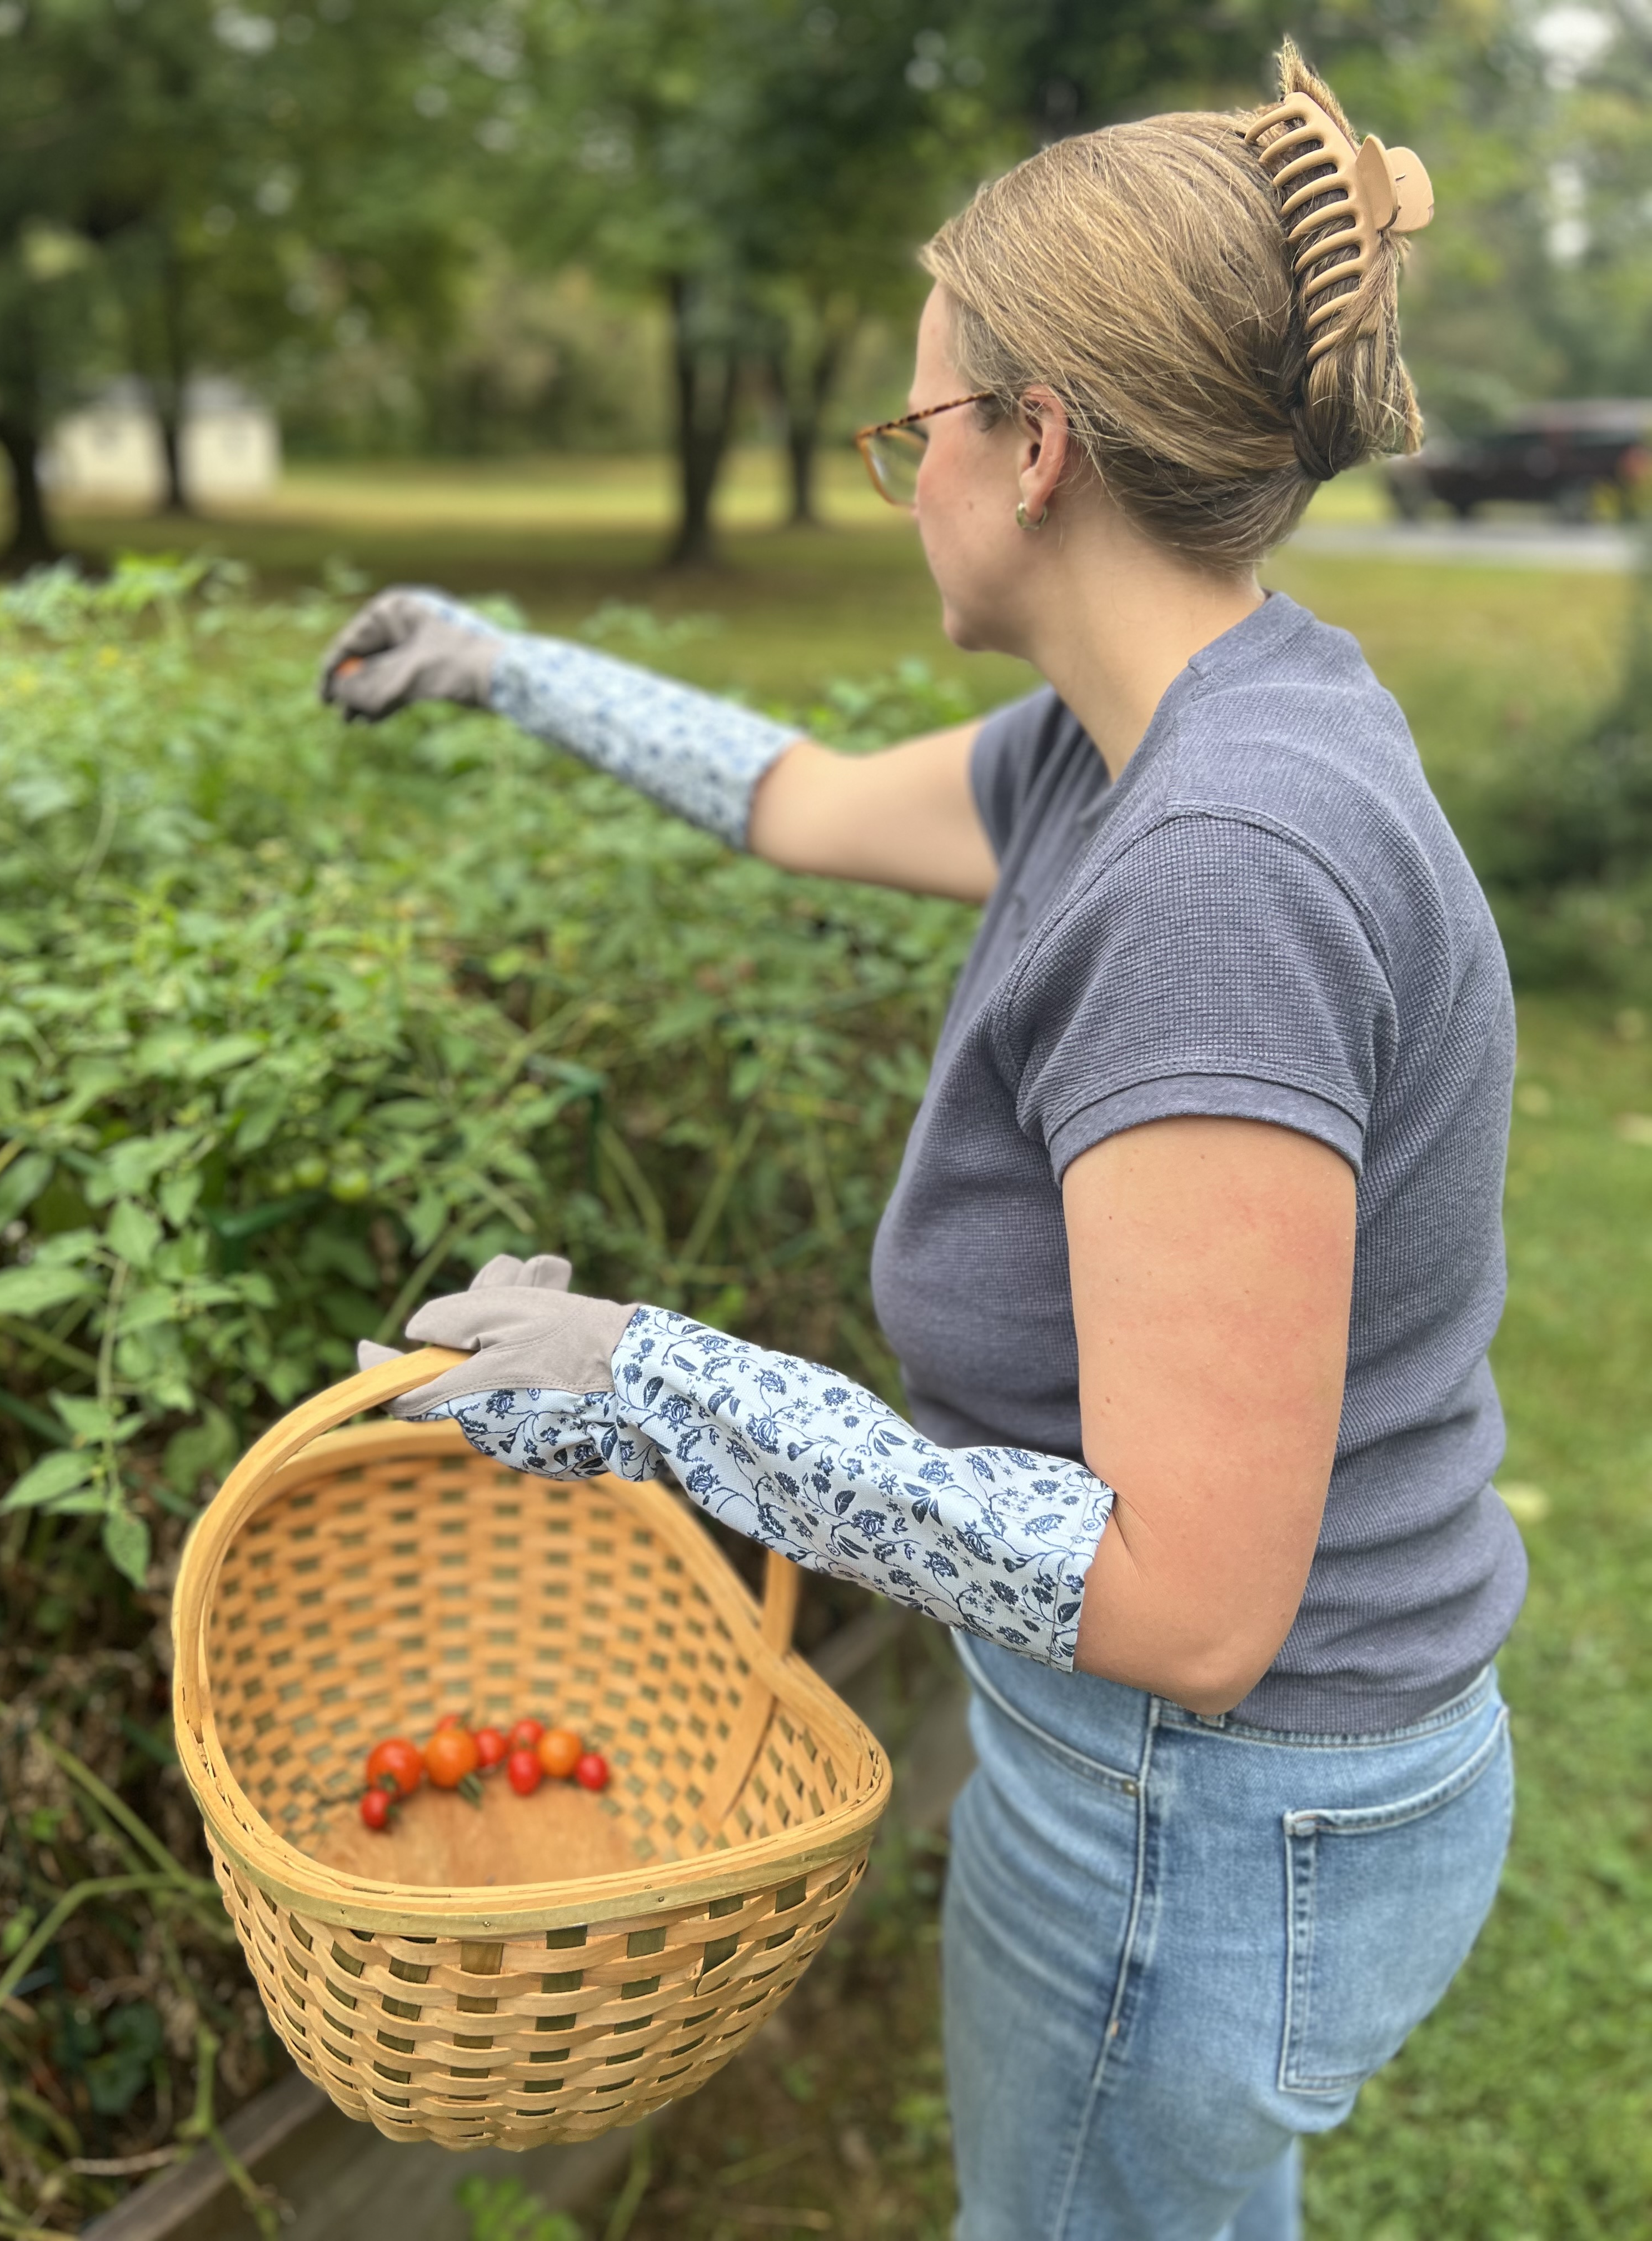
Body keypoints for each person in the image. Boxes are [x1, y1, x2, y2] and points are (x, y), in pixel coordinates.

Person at [322, 44, 1522, 2241]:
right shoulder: (1150, 732)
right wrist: (513, 670)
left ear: (1037, 446)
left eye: (912, 431)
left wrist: (657, 1387)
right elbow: (796, 794)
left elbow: (1184, 1611)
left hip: (1211, 1803)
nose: (902, 482)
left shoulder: (1217, 868)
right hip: (1231, 1792)